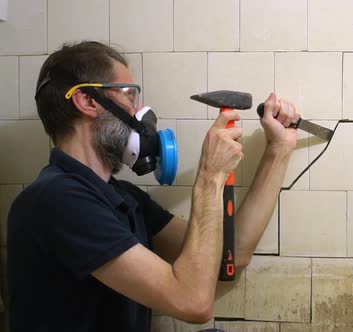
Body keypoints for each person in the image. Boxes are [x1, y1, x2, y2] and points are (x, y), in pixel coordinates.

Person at [7, 41, 300, 332]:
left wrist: (279, 151)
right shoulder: (57, 199)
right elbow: (193, 303)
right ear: (88, 101)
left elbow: (232, 252)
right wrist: (211, 176)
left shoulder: (121, 197)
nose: (138, 112)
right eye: (128, 95)